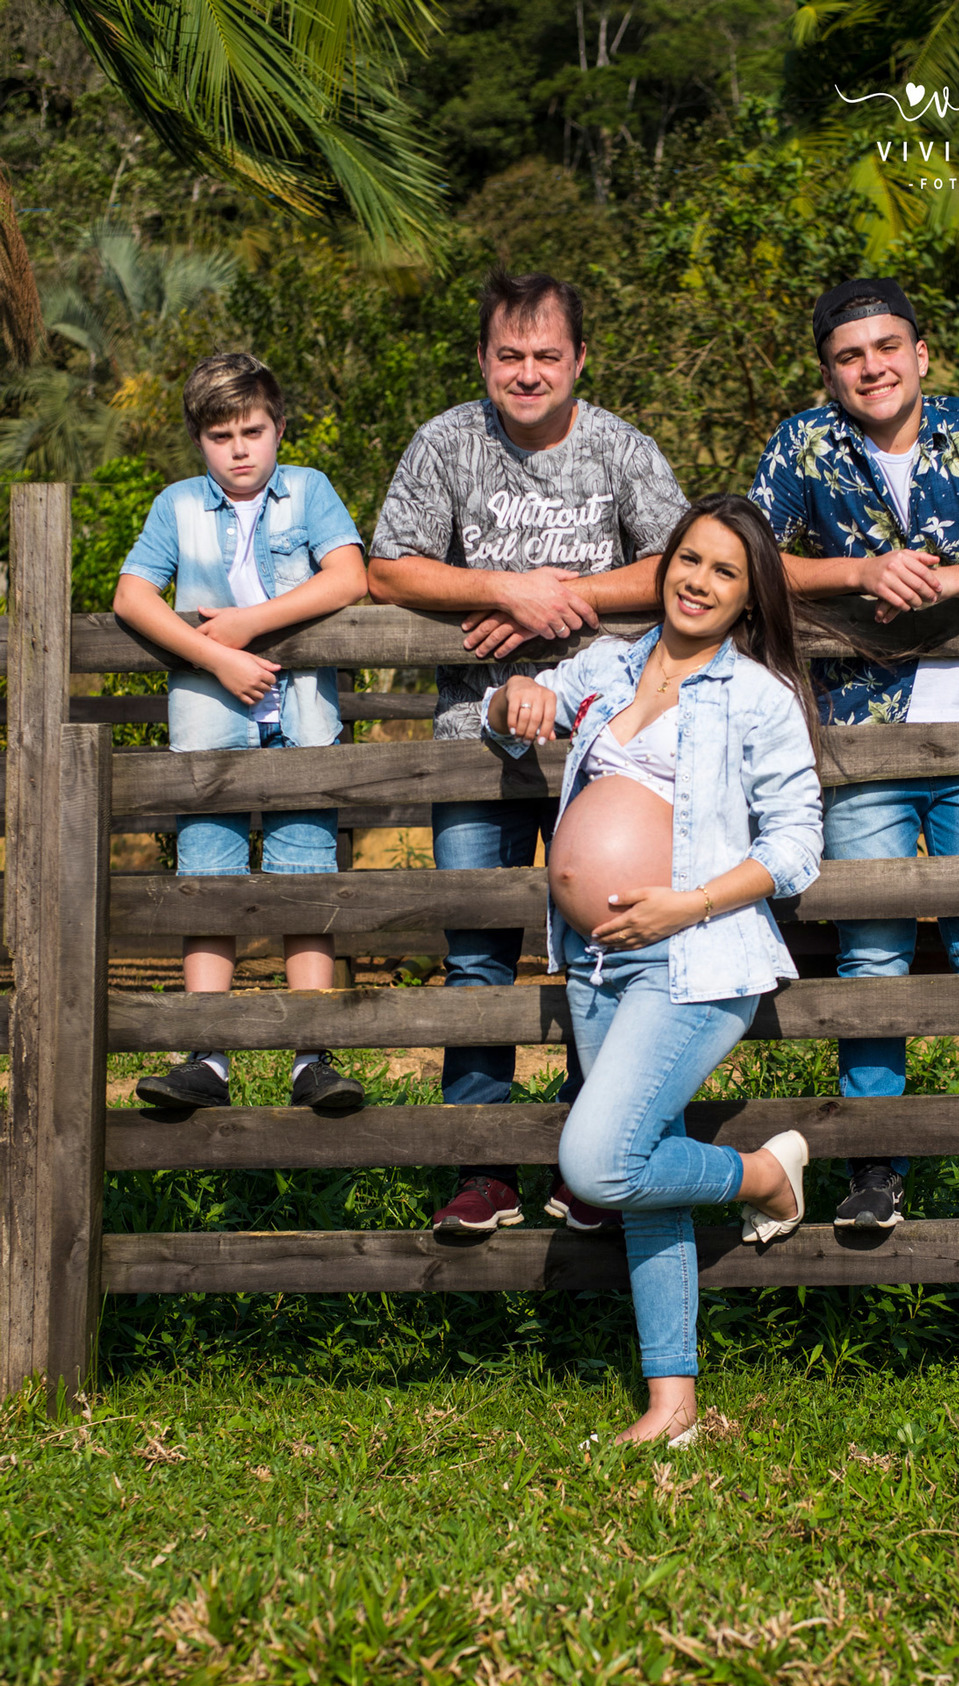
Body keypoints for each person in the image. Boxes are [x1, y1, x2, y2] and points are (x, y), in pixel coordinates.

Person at [483, 496, 825, 1446]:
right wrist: (517, 694)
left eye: (724, 571)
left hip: (697, 956)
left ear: (749, 597)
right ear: (664, 565)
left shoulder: (757, 696)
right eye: (689, 559)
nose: (698, 580)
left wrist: (689, 902)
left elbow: (798, 845)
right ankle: (672, 1407)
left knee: (600, 1162)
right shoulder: (606, 664)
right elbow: (509, 716)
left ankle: (762, 1175)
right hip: (594, 961)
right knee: (642, 1166)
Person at [749, 276, 959, 1229]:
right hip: (862, 736)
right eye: (851, 356)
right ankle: (872, 1167)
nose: (873, 367)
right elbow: (754, 558)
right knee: (872, 951)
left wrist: (952, 583)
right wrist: (860, 570)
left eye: (888, 347)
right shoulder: (800, 444)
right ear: (828, 372)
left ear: (921, 353)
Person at [368, 268, 689, 1236]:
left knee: (605, 947)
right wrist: (507, 591)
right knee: (477, 958)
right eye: (509, 354)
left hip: (603, 745)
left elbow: (686, 561)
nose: (528, 371)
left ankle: (597, 1162)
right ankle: (483, 1171)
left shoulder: (622, 448)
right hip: (477, 741)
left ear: (580, 359)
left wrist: (569, 597)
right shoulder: (445, 442)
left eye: (548, 354)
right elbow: (388, 566)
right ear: (482, 359)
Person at [116, 351, 368, 1113]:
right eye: (220, 434)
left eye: (252, 430)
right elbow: (133, 596)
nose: (239, 448)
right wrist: (217, 657)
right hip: (210, 723)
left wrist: (253, 625)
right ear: (199, 439)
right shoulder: (177, 506)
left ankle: (310, 1055)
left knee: (305, 874)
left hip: (302, 720)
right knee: (208, 877)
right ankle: (207, 1054)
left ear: (279, 428)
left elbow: (349, 575)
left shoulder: (311, 491)